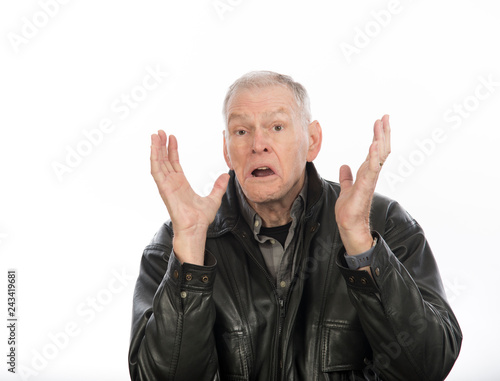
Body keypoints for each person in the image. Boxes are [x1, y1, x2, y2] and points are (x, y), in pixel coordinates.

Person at [128, 71, 462, 381]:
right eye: (241, 131)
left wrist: (361, 245)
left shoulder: (384, 222)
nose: (258, 144)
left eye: (276, 127)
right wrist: (189, 252)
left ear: (312, 141)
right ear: (227, 150)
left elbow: (426, 366)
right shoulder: (178, 240)